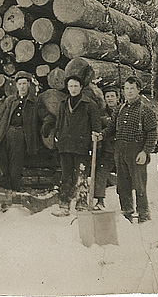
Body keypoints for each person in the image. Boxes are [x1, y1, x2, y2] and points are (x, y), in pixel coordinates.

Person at [103, 77, 157, 223]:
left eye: (132, 88)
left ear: (138, 90)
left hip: (136, 150)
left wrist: (145, 151)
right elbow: (111, 128)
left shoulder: (145, 110)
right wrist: (100, 135)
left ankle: (143, 214)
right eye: (127, 88)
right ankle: (127, 212)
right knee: (123, 184)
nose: (129, 91)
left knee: (139, 185)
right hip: (120, 150)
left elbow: (152, 132)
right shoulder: (120, 109)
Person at [0, 71, 53, 193]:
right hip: (4, 135)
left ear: (29, 85)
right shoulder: (10, 100)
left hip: (20, 136)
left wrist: (46, 126)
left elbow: (47, 116)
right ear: (16, 86)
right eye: (20, 84)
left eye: (25, 83)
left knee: (15, 169)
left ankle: (14, 197)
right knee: (2, 168)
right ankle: (3, 197)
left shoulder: (35, 102)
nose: (22, 86)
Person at [51, 76, 102, 216]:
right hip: (65, 145)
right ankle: (64, 205)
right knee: (66, 176)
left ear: (80, 87)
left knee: (81, 176)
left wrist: (95, 140)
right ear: (67, 87)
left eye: (75, 86)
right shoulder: (63, 103)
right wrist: (58, 137)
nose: (73, 89)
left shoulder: (89, 104)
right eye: (71, 86)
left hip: (81, 146)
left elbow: (96, 125)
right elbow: (59, 123)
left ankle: (81, 204)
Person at [93, 87, 120, 209]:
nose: (110, 99)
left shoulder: (123, 110)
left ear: (117, 98)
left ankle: (127, 204)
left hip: (122, 150)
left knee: (125, 177)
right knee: (101, 173)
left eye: (112, 96)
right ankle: (99, 201)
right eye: (107, 96)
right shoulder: (101, 112)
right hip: (107, 149)